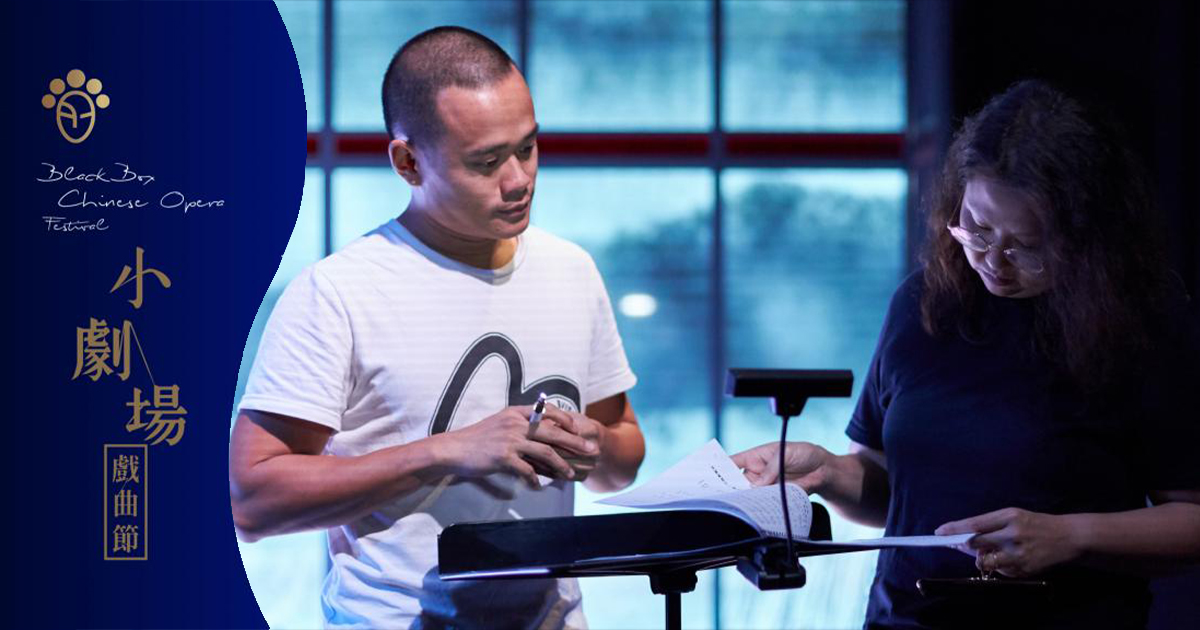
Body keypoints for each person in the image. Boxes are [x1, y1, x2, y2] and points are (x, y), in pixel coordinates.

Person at [733, 79, 1200, 629]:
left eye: (1026, 246)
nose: (993, 261)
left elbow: (1191, 520)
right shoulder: (922, 303)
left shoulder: (1141, 321)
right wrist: (829, 472)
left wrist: (1071, 536)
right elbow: (893, 493)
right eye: (977, 229)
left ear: (1085, 237)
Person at [228, 26, 645, 630]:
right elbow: (253, 502)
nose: (519, 179)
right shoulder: (338, 292)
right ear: (408, 162)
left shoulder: (571, 270)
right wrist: (446, 452)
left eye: (528, 148)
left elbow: (623, 457)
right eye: (487, 162)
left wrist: (593, 445)